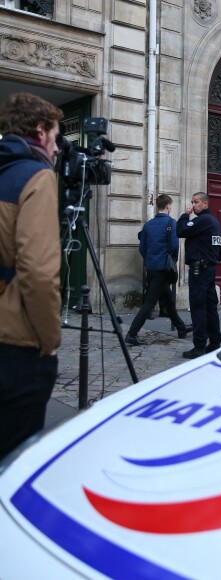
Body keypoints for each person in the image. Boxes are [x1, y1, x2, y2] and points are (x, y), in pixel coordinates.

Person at [0, 93, 63, 460]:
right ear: (40, 132)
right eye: (55, 138)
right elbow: (38, 272)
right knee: (14, 459)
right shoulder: (35, 175)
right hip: (17, 342)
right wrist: (49, 340)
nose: (56, 150)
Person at [125, 194, 192, 345]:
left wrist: (150, 261)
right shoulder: (171, 223)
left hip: (152, 268)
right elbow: (175, 247)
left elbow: (142, 248)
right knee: (149, 304)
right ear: (168, 206)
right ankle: (132, 333)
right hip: (164, 269)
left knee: (168, 300)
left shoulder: (148, 225)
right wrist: (172, 261)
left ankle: (181, 328)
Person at [177, 191, 221, 359]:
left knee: (198, 307)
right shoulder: (214, 221)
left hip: (199, 270)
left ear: (205, 204)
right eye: (192, 202)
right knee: (210, 306)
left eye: (196, 202)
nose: (193, 205)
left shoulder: (202, 221)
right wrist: (214, 259)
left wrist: (185, 216)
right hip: (208, 269)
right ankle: (215, 342)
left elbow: (180, 231)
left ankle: (199, 345)